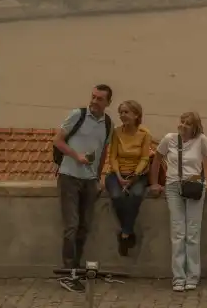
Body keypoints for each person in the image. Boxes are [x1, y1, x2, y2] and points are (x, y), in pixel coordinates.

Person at [149, 111, 207, 292]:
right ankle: (178, 277)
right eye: (181, 122)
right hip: (173, 187)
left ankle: (192, 276)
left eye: (187, 123)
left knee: (192, 232)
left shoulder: (201, 140)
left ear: (195, 126)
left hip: (194, 186)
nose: (183, 125)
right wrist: (154, 183)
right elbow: (157, 159)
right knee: (178, 231)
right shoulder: (169, 139)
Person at [52, 84, 114, 293]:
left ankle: (75, 270)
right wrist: (75, 155)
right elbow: (58, 141)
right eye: (93, 97)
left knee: (84, 226)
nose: (95, 101)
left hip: (89, 180)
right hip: (69, 176)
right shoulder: (77, 115)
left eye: (99, 99)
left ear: (107, 103)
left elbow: (103, 151)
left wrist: (97, 176)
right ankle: (68, 273)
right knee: (71, 226)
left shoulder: (107, 123)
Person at [105, 99, 152, 256]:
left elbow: (145, 158)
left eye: (126, 112)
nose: (123, 115)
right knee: (117, 196)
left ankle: (124, 234)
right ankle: (128, 231)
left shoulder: (144, 134)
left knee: (136, 195)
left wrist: (134, 176)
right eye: (121, 113)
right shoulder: (117, 132)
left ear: (136, 115)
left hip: (138, 175)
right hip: (117, 174)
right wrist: (119, 177)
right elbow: (113, 157)